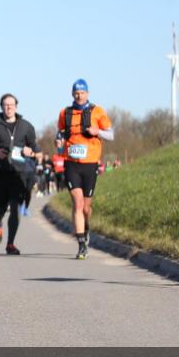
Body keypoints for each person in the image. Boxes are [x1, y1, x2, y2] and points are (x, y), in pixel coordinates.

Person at [56, 79, 113, 260]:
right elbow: (60, 136)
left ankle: (86, 229)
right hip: (71, 163)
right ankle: (81, 245)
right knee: (78, 203)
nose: (79, 95)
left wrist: (98, 132)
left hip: (90, 164)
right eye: (76, 93)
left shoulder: (97, 111)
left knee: (86, 208)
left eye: (82, 92)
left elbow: (112, 135)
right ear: (72, 94)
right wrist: (58, 144)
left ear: (87, 93)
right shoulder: (65, 113)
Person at [0, 93, 41, 254]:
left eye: (11, 105)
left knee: (15, 207)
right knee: (0, 209)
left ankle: (10, 244)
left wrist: (30, 152)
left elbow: (36, 151)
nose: (8, 108)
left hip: (18, 174)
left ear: (16, 107)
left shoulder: (26, 126)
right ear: (1, 107)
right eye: (5, 105)